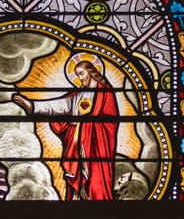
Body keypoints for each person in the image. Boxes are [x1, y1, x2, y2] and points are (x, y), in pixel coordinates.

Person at [12, 55, 118, 200]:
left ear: (91, 71)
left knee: (96, 184)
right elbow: (58, 106)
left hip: (96, 148)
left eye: (82, 73)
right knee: (76, 182)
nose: (80, 78)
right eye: (78, 75)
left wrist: (86, 124)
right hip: (76, 144)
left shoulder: (105, 92)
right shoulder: (77, 95)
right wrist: (32, 106)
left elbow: (110, 121)